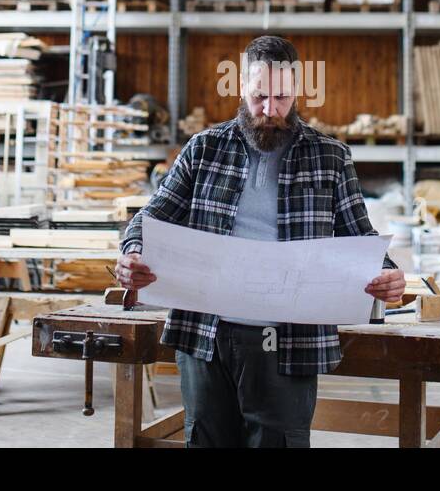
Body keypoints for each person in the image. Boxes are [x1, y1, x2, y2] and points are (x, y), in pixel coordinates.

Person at [115, 35, 404, 447]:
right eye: (259, 96)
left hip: (289, 339)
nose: (269, 110)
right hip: (205, 333)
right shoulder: (204, 149)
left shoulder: (330, 157)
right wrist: (132, 251)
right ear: (241, 88)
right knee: (207, 439)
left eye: (282, 98)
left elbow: (361, 237)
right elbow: (150, 217)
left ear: (298, 91)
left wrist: (388, 273)